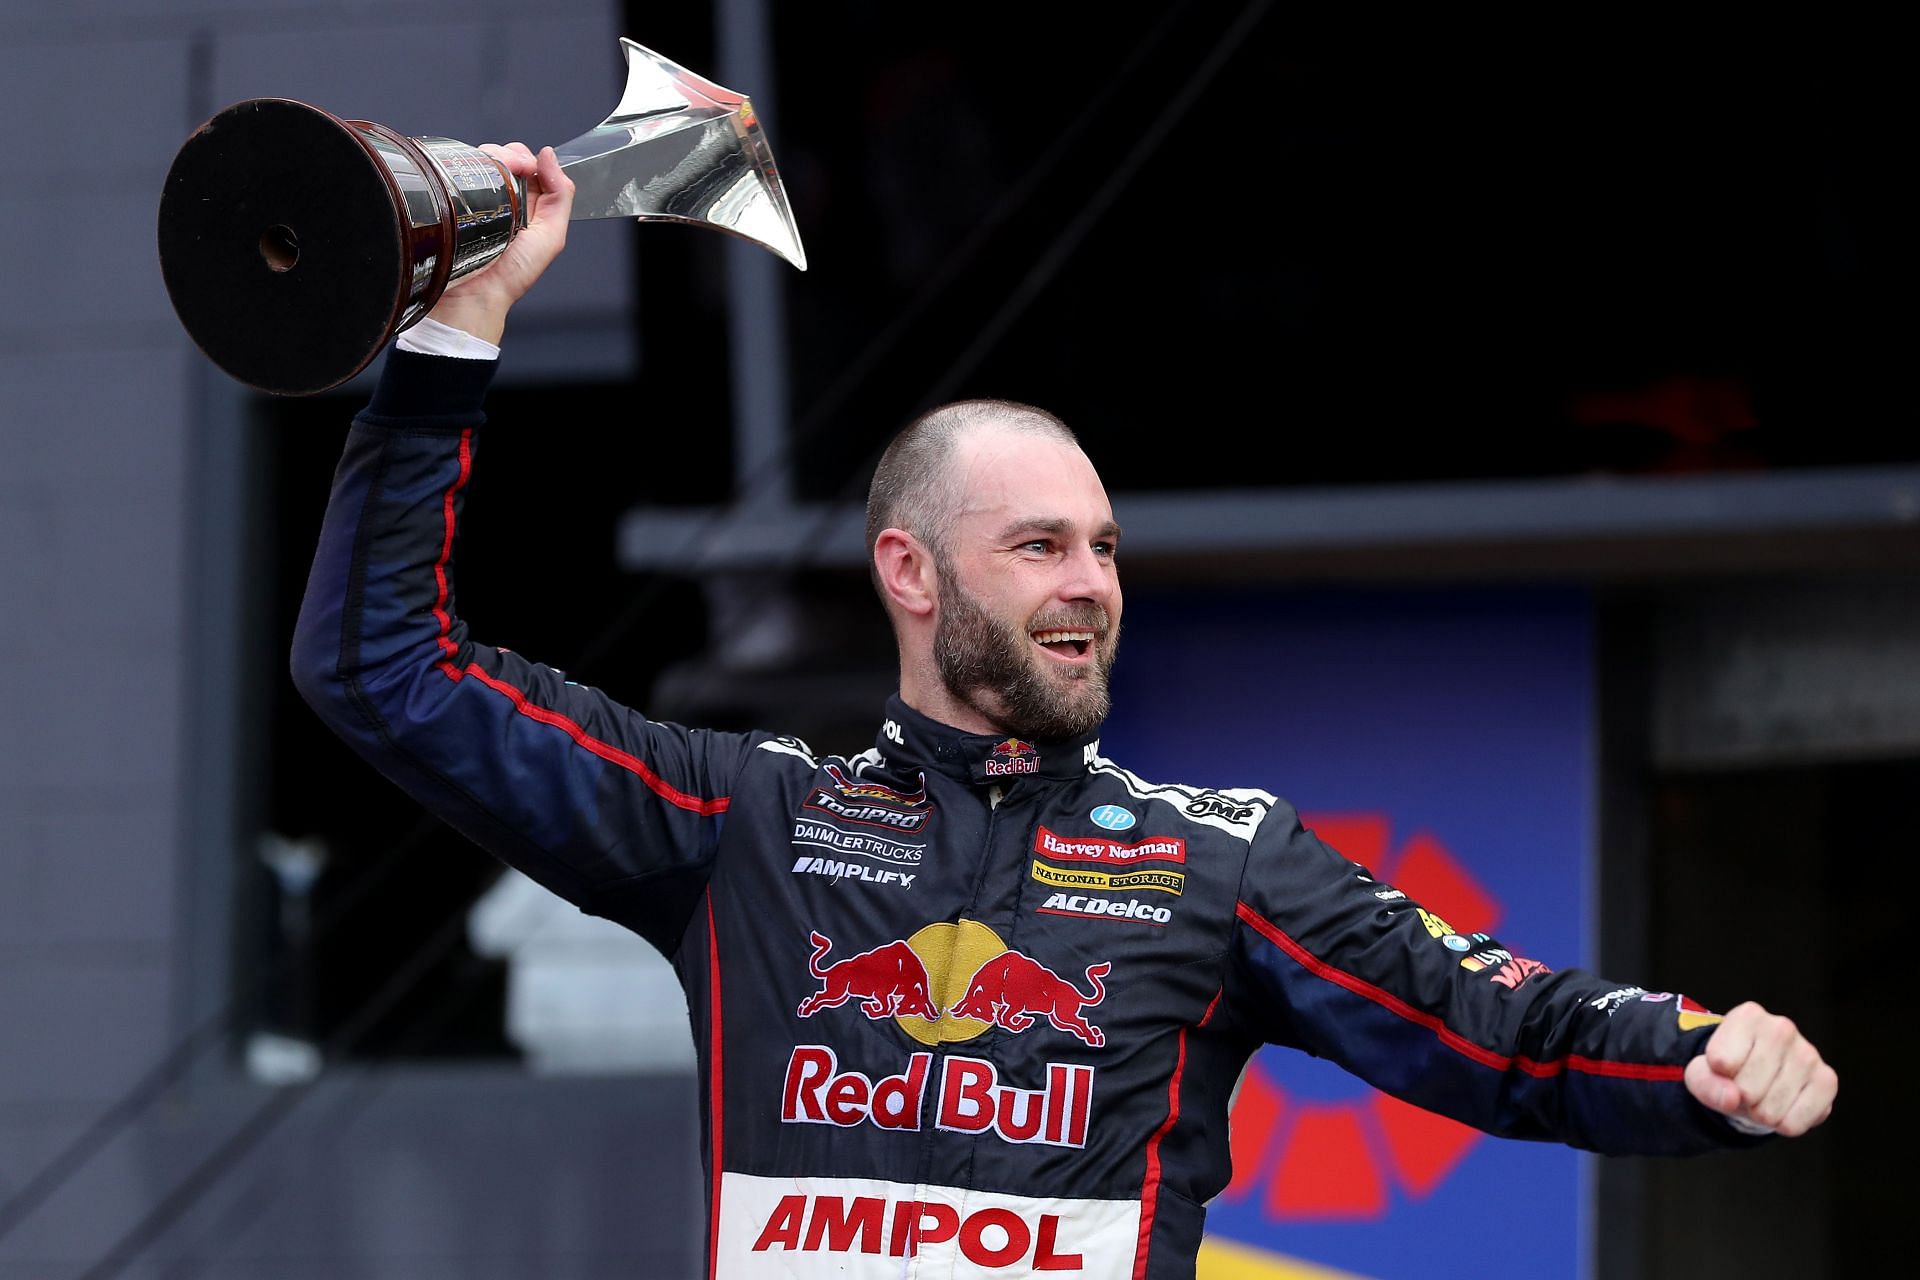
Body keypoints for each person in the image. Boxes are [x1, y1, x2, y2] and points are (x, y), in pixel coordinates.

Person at [292, 143, 1837, 1279]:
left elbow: (1504, 1033)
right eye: (1038, 545)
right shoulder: (744, 820)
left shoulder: (1216, 861)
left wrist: (1706, 1057)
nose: (1088, 582)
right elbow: (382, 674)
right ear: (911, 571)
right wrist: (454, 335)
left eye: (1103, 547)